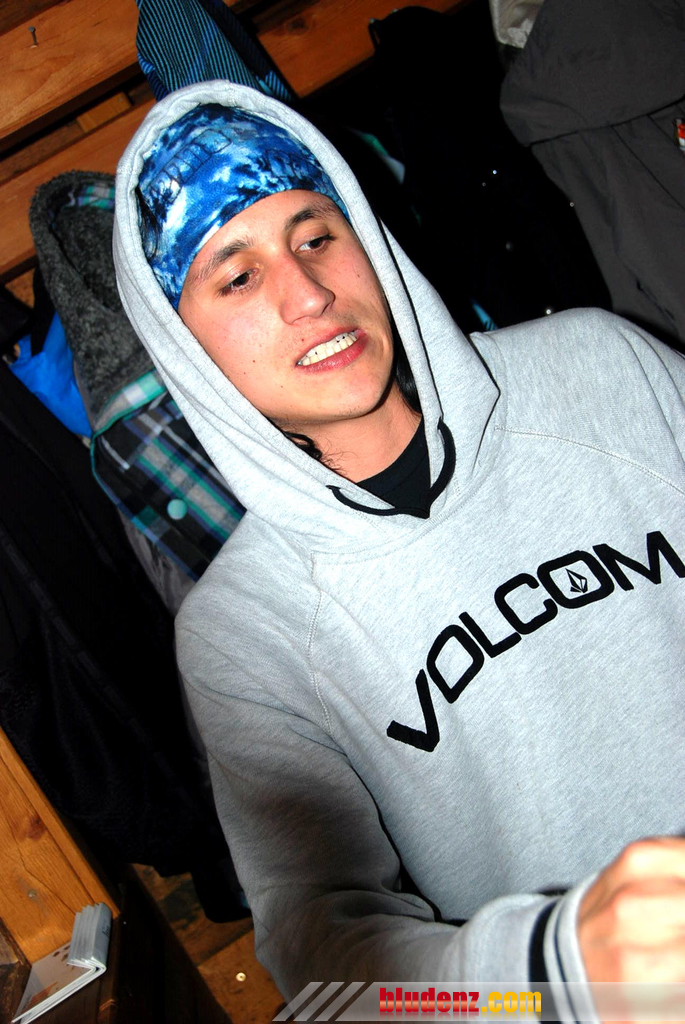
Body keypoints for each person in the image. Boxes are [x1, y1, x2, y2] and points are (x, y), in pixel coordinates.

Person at [114, 81, 685, 1018]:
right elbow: (327, 972)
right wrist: (543, 981)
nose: (308, 294)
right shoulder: (243, 631)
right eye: (238, 277)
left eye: (314, 236)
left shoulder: (602, 368)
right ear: (184, 349)